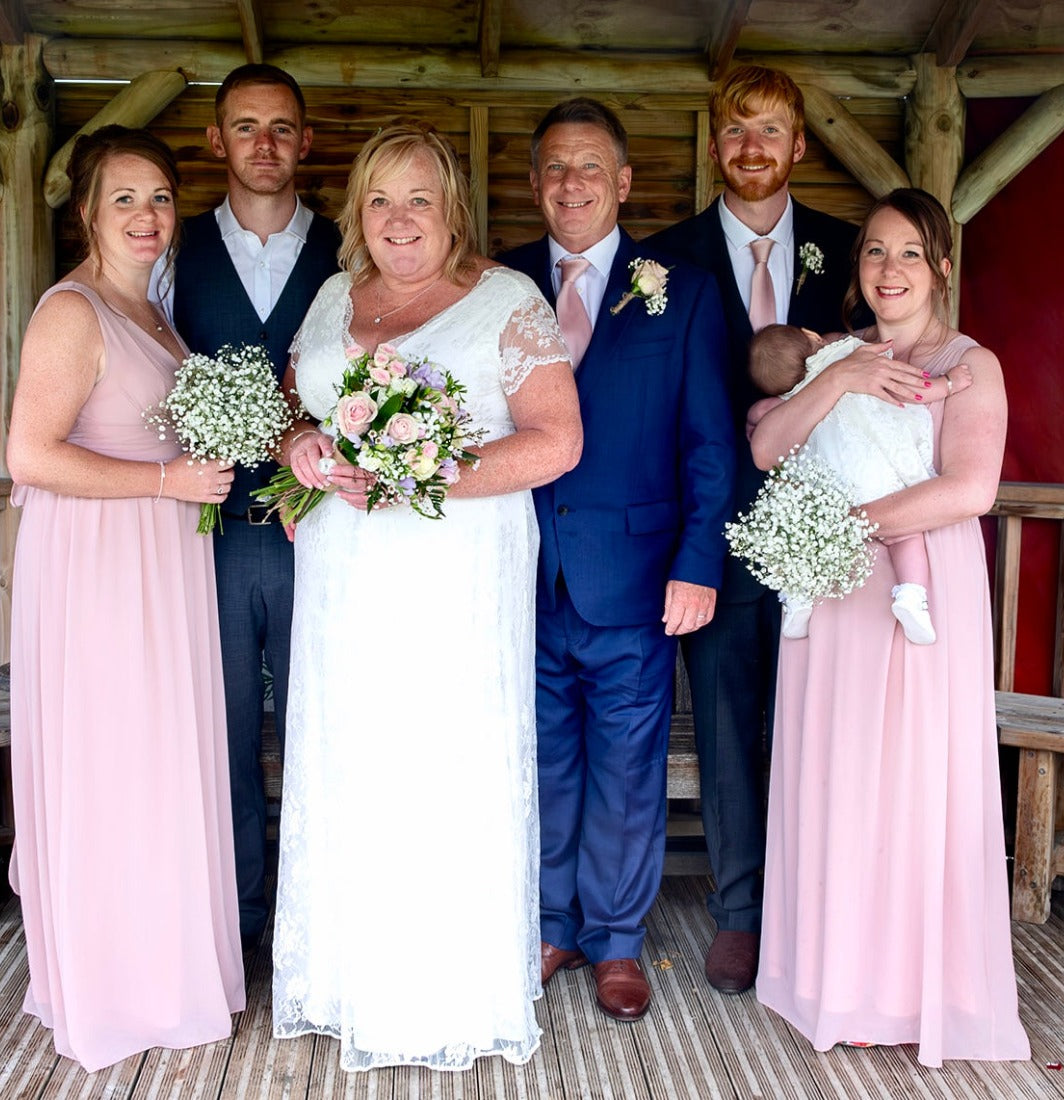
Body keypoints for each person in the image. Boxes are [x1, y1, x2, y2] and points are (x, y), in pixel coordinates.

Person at [270, 119, 582, 1071]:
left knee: (439, 757)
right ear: (358, 212)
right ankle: (343, 978)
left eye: (418, 198)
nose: (398, 219)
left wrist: (425, 471)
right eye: (379, 199)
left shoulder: (506, 299)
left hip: (453, 577)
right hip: (340, 577)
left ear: (452, 206)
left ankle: (442, 990)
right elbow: (297, 399)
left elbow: (555, 441)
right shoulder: (331, 295)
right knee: (351, 755)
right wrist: (299, 447)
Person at [749, 188, 1030, 1066]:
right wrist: (836, 377)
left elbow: (968, 489)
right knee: (840, 773)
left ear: (940, 266)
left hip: (917, 586)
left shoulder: (969, 364)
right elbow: (765, 450)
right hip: (830, 589)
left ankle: (915, 990)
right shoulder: (832, 351)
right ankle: (837, 978)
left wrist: (848, 523)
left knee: (913, 777)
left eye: (910, 253)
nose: (889, 270)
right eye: (875, 252)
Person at [6, 126, 244, 1071]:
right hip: (103, 565)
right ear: (85, 212)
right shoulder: (73, 312)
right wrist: (165, 484)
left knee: (158, 764)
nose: (145, 217)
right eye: (123, 200)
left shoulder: (153, 314)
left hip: (161, 558)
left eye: (157, 198)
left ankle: (166, 969)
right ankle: (115, 986)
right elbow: (30, 455)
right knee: (113, 765)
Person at [500, 98, 735, 1022]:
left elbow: (710, 444)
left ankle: (619, 942)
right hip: (523, 570)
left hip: (638, 577)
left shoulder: (679, 287)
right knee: (546, 759)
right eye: (554, 167)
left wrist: (700, 562)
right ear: (532, 183)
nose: (571, 185)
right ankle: (553, 923)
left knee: (628, 766)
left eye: (590, 167)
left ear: (624, 182)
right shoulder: (500, 282)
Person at [643, 63, 860, 995]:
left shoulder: (853, 253)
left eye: (769, 130)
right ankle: (739, 914)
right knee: (727, 722)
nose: (751, 148)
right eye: (735, 132)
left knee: (824, 721)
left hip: (831, 529)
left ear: (799, 144)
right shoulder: (663, 258)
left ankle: (822, 904)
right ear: (713, 145)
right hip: (717, 529)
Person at [168, 64, 341, 950]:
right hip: (214, 540)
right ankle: (237, 926)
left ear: (305, 141)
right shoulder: (174, 251)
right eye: (245, 127)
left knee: (329, 726)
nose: (264, 144)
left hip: (330, 537)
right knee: (223, 731)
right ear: (217, 140)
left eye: (281, 127)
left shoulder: (352, 250)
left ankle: (317, 929)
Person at [747, 323, 973, 643]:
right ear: (812, 335)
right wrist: (948, 383)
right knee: (905, 535)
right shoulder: (851, 355)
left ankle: (797, 598)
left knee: (807, 538)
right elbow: (909, 389)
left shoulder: (790, 398)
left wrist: (756, 417)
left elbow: (761, 420)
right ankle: (911, 595)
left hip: (829, 487)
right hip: (873, 473)